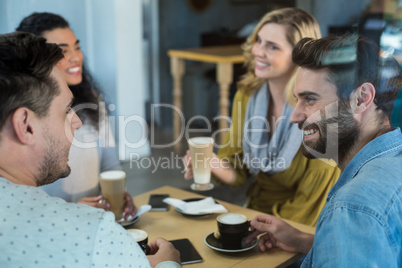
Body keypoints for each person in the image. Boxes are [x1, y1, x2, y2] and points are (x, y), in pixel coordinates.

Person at [0, 31, 181, 268]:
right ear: (26, 125)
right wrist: (168, 264)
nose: (76, 121)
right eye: (66, 111)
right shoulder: (93, 232)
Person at [246, 34, 402, 267]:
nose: (295, 117)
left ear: (361, 99)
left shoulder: (352, 208)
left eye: (310, 99)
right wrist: (308, 241)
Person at [183, 8, 341, 226]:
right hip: (257, 213)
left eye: (272, 46)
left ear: (299, 57)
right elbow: (238, 172)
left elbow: (312, 203)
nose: (258, 51)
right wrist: (212, 163)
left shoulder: (323, 109)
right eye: (259, 40)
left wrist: (256, 230)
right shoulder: (247, 96)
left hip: (303, 226)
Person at [16, 12, 136, 220]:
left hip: (95, 221)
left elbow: (110, 166)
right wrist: (70, 211)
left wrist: (119, 195)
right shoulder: (26, 118)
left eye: (77, 47)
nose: (76, 57)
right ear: (35, 61)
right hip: (53, 226)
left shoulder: (94, 100)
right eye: (62, 51)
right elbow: (21, 195)